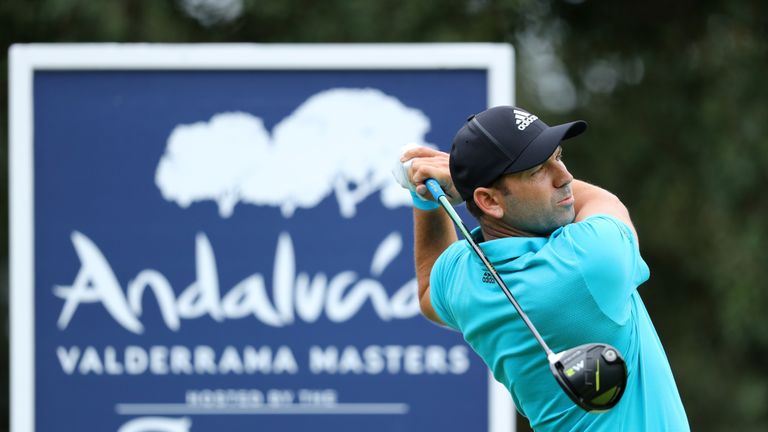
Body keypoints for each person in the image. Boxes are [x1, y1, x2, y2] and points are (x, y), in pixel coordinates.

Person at [397, 106, 689, 431]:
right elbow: (605, 201)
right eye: (537, 170)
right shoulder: (589, 259)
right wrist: (456, 182)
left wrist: (425, 198)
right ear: (490, 202)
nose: (564, 177)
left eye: (558, 156)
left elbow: (427, 291)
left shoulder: (461, 279)